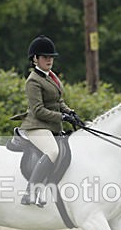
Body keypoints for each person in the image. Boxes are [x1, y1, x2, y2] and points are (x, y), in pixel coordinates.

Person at [11, 35, 83, 206]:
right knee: (52, 152)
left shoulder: (50, 76)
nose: (49, 60)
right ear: (35, 59)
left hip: (51, 125)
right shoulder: (33, 81)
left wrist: (69, 112)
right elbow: (38, 110)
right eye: (45, 57)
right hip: (36, 125)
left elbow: (58, 101)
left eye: (51, 57)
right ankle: (30, 192)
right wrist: (61, 117)